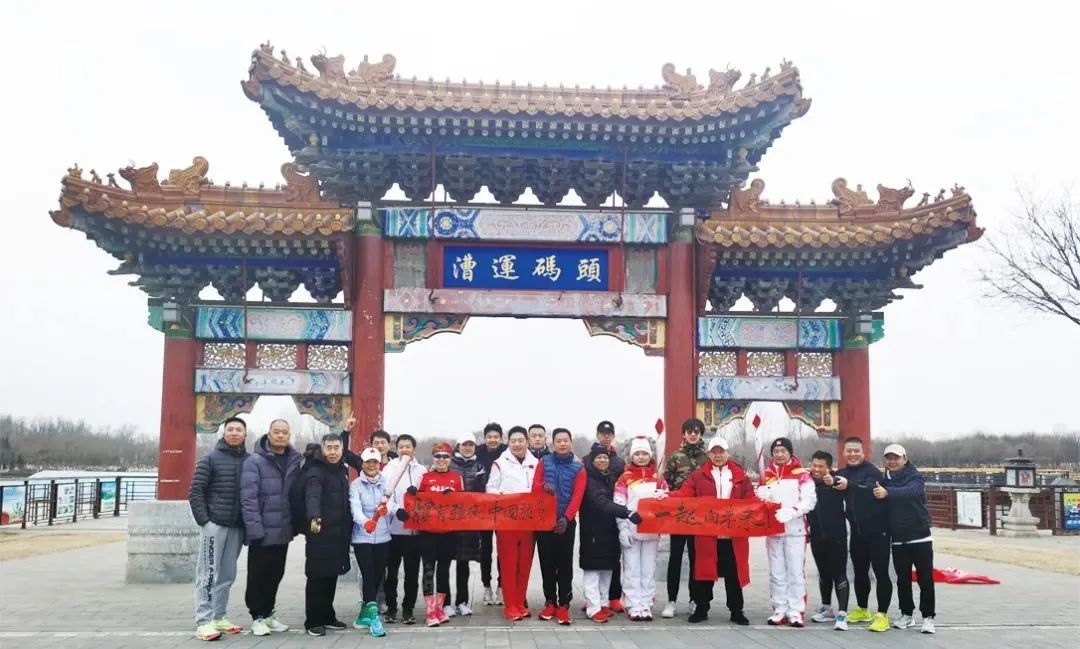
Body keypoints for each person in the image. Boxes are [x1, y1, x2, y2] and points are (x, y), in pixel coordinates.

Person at [663, 436, 752, 626]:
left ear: (728, 453)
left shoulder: (740, 475)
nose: (718, 455)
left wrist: (765, 500)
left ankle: (736, 610)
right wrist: (666, 495)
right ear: (708, 454)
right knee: (704, 572)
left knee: (733, 573)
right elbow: (685, 494)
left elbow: (750, 498)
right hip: (707, 534)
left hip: (732, 535)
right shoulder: (698, 476)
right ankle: (702, 608)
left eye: (722, 451)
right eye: (714, 452)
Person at [188, 416, 249, 641]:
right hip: (215, 525)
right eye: (230, 429)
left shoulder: (250, 461)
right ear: (224, 432)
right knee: (207, 573)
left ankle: (218, 616)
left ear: (245, 434)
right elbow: (196, 491)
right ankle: (204, 621)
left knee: (227, 575)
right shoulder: (210, 459)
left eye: (238, 430)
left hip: (237, 527)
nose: (234, 433)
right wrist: (205, 521)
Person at [241, 418, 302, 636]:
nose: (280, 435)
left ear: (289, 435)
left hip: (283, 530)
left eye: (284, 432)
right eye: (276, 431)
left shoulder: (294, 460)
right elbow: (248, 499)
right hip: (262, 531)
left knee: (276, 574)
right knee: (257, 575)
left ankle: (268, 613)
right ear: (269, 433)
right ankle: (257, 616)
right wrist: (254, 529)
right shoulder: (255, 462)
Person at [831, 435, 892, 632]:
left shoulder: (872, 472)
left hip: (878, 531)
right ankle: (863, 609)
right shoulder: (841, 473)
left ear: (863, 452)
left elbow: (869, 489)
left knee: (881, 573)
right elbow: (826, 483)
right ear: (843, 453)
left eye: (856, 451)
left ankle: (882, 615)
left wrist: (849, 485)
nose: (853, 454)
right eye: (849, 451)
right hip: (858, 532)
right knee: (859, 572)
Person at [349, 446, 408, 637]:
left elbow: (390, 503)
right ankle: (374, 618)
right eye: (368, 462)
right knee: (368, 575)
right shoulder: (356, 485)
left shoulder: (386, 483)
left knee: (376, 576)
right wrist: (365, 521)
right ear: (363, 463)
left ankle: (364, 615)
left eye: (375, 462)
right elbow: (355, 508)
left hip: (383, 537)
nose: (372, 465)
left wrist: (394, 510)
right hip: (362, 537)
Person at [758, 436, 817, 627]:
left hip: (795, 529)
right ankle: (780, 609)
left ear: (790, 452)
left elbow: (810, 500)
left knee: (795, 572)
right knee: (776, 572)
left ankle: (796, 611)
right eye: (776, 451)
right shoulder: (766, 474)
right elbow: (759, 504)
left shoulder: (801, 474)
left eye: (783, 451)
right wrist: (761, 496)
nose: (779, 454)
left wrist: (793, 511)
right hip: (773, 530)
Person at [878, 444, 936, 635]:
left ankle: (928, 617)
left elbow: (912, 491)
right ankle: (906, 614)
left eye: (896, 458)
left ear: (905, 458)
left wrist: (888, 492)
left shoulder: (915, 477)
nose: (892, 461)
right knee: (902, 580)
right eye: (889, 458)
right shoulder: (883, 480)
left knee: (925, 579)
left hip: (920, 536)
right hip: (898, 538)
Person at [532, 428, 586, 625]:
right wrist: (543, 487)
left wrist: (566, 518)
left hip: (565, 523)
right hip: (544, 521)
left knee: (564, 564)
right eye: (559, 441)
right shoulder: (544, 462)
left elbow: (577, 496)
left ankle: (564, 604)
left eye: (566, 440)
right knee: (547, 563)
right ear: (552, 443)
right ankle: (550, 602)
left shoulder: (578, 468)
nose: (562, 444)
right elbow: (534, 487)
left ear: (571, 442)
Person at [299, 434, 352, 636]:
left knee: (331, 575)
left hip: (338, 533)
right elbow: (312, 495)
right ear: (322, 450)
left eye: (336, 448)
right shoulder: (316, 470)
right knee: (317, 577)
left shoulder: (341, 470)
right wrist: (314, 517)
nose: (332, 452)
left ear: (341, 449)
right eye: (329, 448)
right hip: (319, 531)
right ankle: (313, 621)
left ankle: (328, 615)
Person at [486, 426, 540, 621]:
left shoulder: (536, 463)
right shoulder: (500, 463)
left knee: (524, 564)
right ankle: (510, 605)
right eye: (513, 441)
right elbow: (490, 488)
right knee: (509, 564)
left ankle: (520, 602)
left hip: (528, 522)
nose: (517, 444)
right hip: (507, 522)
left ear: (527, 442)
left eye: (521, 440)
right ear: (508, 442)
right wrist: (503, 497)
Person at [579, 446, 636, 623]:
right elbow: (601, 502)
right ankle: (593, 607)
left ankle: (603, 603)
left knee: (607, 568)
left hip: (610, 531)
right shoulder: (589, 480)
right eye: (598, 458)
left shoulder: (612, 479)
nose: (602, 460)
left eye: (605, 457)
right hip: (593, 532)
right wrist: (626, 512)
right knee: (593, 570)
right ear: (592, 460)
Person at [660, 417, 708, 618]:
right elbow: (666, 483)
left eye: (697, 431)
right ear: (684, 434)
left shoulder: (707, 458)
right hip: (679, 515)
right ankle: (671, 601)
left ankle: (694, 599)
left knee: (696, 558)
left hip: (700, 516)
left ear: (701, 434)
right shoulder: (675, 457)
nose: (693, 435)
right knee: (676, 557)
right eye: (690, 431)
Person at [614, 436, 666, 621]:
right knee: (632, 569)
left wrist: (664, 495)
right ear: (632, 456)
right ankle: (633, 605)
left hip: (651, 531)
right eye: (637, 454)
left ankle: (646, 604)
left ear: (650, 455)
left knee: (648, 570)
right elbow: (619, 504)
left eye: (644, 453)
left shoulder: (658, 477)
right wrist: (623, 528)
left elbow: (667, 503)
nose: (641, 457)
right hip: (632, 530)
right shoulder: (625, 478)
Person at [417, 442, 464, 626]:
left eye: (445, 456)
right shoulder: (425, 477)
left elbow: (463, 504)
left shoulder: (456, 478)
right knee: (429, 570)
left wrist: (453, 497)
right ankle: (430, 611)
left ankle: (439, 608)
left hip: (448, 533)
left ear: (450, 459)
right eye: (438, 456)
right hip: (428, 532)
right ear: (433, 458)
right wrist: (413, 493)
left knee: (444, 571)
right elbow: (416, 503)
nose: (441, 460)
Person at [381, 434, 426, 625]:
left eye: (408, 446)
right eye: (401, 447)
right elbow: (384, 495)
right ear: (396, 448)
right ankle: (391, 607)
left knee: (412, 573)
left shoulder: (421, 470)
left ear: (413, 449)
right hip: (393, 530)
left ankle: (408, 609)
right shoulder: (389, 469)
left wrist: (419, 494)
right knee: (391, 573)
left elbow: (427, 497)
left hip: (414, 532)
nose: (404, 450)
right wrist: (395, 510)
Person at [807, 450, 850, 631]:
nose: (816, 469)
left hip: (837, 537)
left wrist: (834, 481)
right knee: (823, 573)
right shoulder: (808, 483)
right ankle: (827, 609)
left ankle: (842, 614)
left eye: (821, 466)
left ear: (829, 468)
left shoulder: (836, 482)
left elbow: (843, 482)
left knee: (839, 573)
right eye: (814, 465)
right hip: (817, 537)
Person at [450, 431, 486, 616]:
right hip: (449, 522)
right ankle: (445, 603)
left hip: (469, 524)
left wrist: (481, 482)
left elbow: (484, 495)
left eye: (471, 445)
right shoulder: (448, 464)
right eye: (464, 444)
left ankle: (462, 601)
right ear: (458, 446)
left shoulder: (479, 466)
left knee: (463, 565)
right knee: (444, 564)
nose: (467, 448)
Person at [592, 420, 626, 614]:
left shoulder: (618, 462)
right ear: (597, 435)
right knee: (594, 558)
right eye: (603, 434)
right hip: (595, 514)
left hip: (614, 513)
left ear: (612, 436)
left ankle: (614, 597)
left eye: (609, 434)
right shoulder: (588, 459)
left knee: (614, 556)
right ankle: (593, 598)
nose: (606, 437)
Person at [475, 422, 507, 606]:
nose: (493, 440)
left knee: (503, 548)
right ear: (485, 438)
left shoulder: (507, 453)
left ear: (501, 438)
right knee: (485, 549)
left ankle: (502, 586)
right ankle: (486, 585)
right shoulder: (477, 453)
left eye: (496, 437)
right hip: (483, 509)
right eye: (489, 437)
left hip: (503, 509)